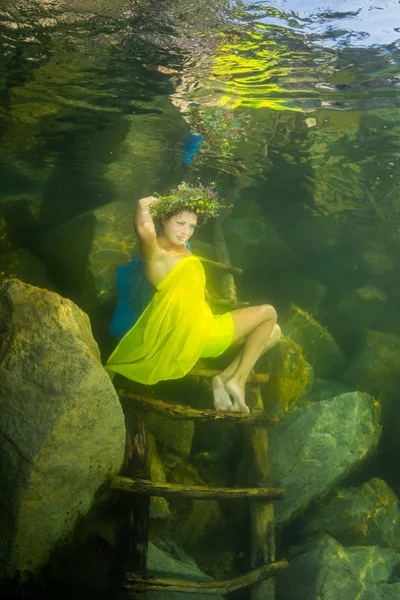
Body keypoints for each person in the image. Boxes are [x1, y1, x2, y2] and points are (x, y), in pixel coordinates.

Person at [105, 183, 281, 413]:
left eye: (191, 226)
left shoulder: (182, 246)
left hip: (204, 324)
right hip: (195, 336)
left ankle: (222, 380)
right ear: (162, 220)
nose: (185, 232)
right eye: (179, 223)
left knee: (275, 332)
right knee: (269, 313)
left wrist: (180, 208)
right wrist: (145, 203)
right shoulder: (157, 255)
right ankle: (237, 380)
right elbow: (144, 228)